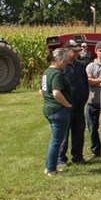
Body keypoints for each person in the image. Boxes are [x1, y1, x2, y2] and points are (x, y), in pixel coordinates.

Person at [40, 48, 73, 176]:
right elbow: (56, 93)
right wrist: (67, 105)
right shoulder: (56, 74)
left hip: (48, 109)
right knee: (56, 141)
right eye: (65, 61)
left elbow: (41, 91)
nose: (66, 64)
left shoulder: (46, 72)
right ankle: (51, 169)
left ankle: (49, 165)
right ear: (59, 60)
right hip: (58, 110)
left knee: (54, 139)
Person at [59, 40, 88, 165]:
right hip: (65, 105)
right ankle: (60, 158)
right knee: (64, 133)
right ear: (66, 51)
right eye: (74, 51)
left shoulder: (81, 66)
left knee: (79, 131)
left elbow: (85, 83)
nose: (77, 53)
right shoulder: (61, 67)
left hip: (79, 105)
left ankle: (78, 157)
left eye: (78, 51)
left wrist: (84, 98)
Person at [85, 42, 101, 159]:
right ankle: (95, 151)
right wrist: (100, 81)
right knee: (92, 128)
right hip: (92, 101)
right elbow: (88, 80)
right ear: (95, 51)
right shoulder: (90, 66)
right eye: (100, 50)